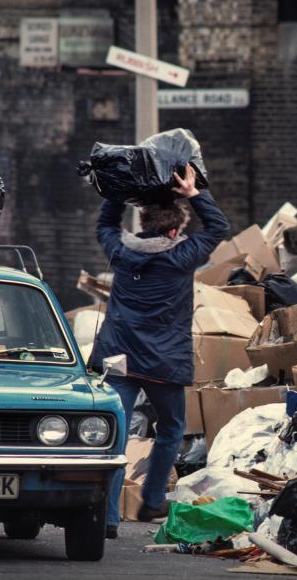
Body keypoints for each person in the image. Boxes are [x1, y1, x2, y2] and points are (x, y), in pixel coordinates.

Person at [90, 164, 230, 539]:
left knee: (114, 437)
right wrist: (194, 194)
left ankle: (106, 518)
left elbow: (105, 226)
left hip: (119, 359)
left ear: (144, 222)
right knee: (170, 429)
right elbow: (219, 229)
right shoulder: (181, 256)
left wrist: (115, 193)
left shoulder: (120, 251)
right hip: (164, 364)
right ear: (174, 229)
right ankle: (153, 500)